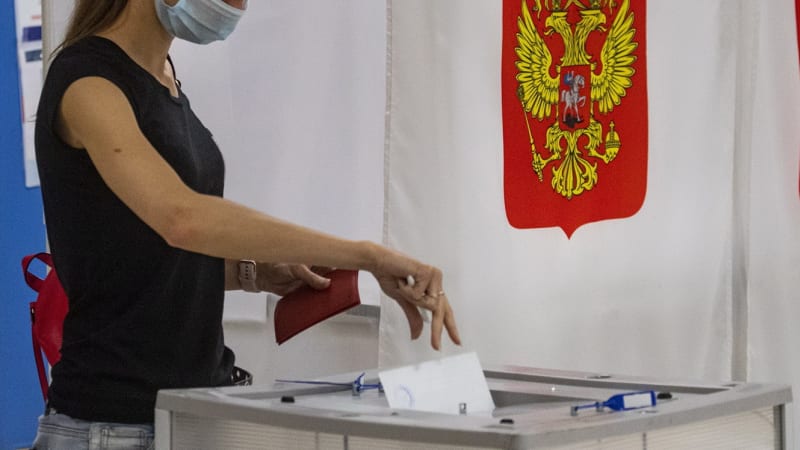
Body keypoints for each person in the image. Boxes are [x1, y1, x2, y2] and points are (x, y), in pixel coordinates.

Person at [31, 0, 461, 448]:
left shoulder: (164, 80)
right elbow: (182, 218)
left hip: (192, 412)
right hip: (112, 424)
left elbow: (138, 255)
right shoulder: (87, 81)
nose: (236, 6)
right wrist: (367, 255)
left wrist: (250, 274)